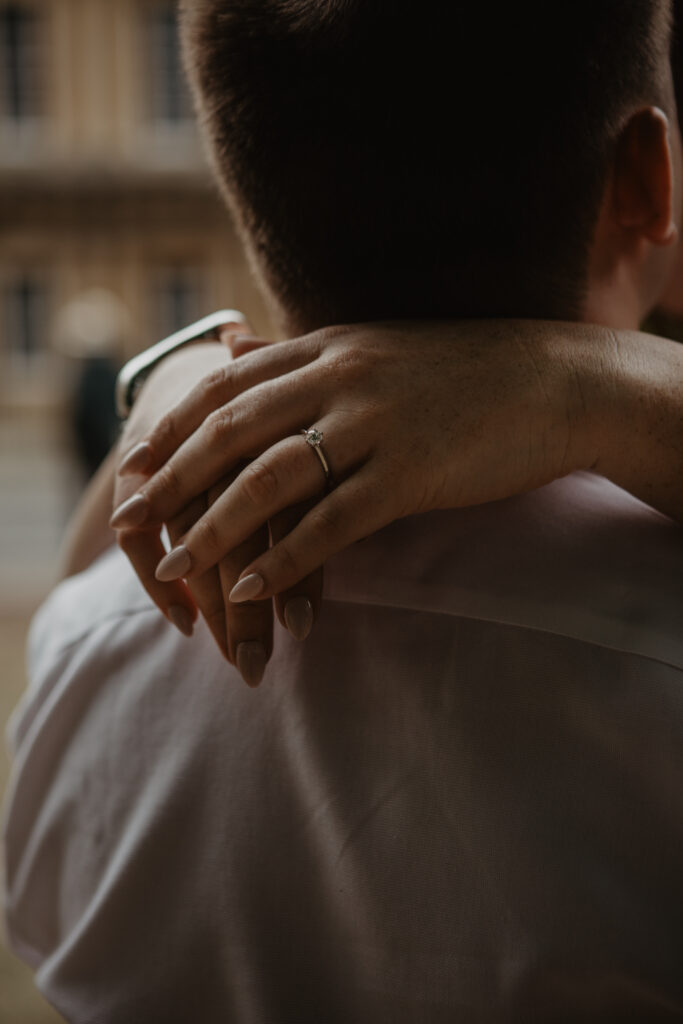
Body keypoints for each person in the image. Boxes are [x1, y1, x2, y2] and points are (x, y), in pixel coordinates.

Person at [3, 2, 683, 1022]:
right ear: (647, 177)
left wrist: (184, 367)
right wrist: (599, 388)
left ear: (243, 189)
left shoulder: (83, 654)